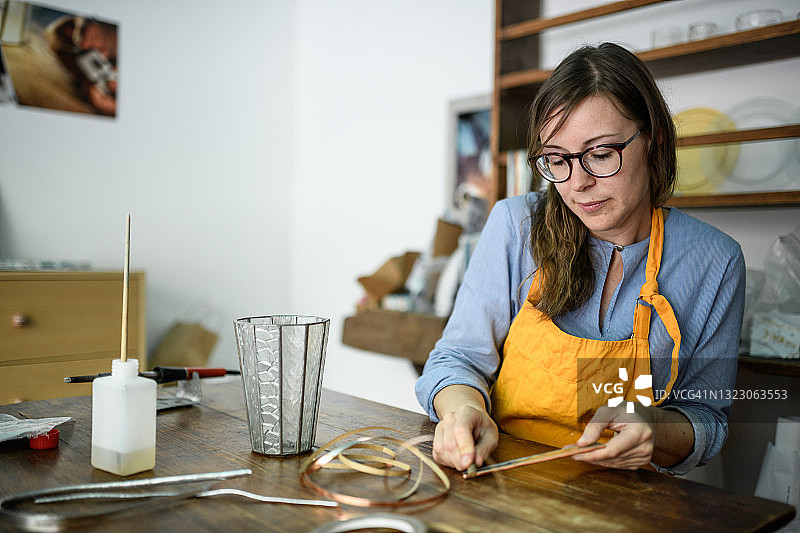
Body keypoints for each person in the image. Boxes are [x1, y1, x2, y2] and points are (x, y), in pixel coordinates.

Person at [415, 42, 745, 475]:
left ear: (653, 140)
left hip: (627, 501)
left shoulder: (713, 262)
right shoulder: (516, 226)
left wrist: (656, 430)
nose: (578, 183)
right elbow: (457, 358)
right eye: (557, 159)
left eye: (601, 154)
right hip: (502, 481)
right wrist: (461, 410)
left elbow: (707, 418)